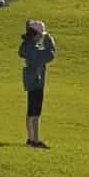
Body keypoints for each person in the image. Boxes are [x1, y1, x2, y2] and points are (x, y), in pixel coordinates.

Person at [19, 20, 57, 148]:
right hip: (36, 81)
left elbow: (24, 51)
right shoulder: (34, 49)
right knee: (35, 113)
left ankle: (31, 139)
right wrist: (48, 40)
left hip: (31, 80)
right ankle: (34, 140)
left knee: (31, 111)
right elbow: (50, 54)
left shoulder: (28, 45)